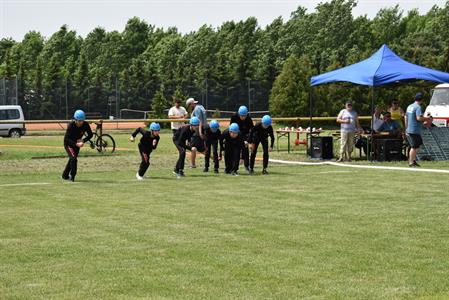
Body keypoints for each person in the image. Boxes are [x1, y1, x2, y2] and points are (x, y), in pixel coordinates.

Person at [62, 109, 93, 182]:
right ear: (75, 119)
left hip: (77, 145)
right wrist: (76, 144)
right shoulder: (71, 125)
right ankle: (72, 177)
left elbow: (90, 135)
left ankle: (65, 175)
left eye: (82, 121)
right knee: (73, 159)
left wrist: (83, 140)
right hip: (69, 144)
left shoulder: (85, 125)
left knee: (72, 159)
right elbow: (66, 139)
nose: (80, 123)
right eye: (78, 121)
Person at [405, 92, 432, 167]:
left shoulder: (409, 106)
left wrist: (406, 128)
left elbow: (406, 117)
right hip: (414, 130)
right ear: (421, 100)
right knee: (414, 146)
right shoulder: (418, 107)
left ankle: (413, 160)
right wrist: (427, 118)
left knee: (417, 145)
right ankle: (411, 162)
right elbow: (418, 118)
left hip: (411, 129)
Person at [230, 105, 254, 173]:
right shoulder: (234, 117)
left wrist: (249, 141)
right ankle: (233, 168)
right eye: (242, 116)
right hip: (236, 136)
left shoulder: (249, 118)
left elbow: (252, 130)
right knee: (235, 152)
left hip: (245, 136)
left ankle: (247, 166)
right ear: (238, 114)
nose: (243, 117)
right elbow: (231, 128)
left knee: (246, 151)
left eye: (245, 116)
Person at [186, 97, 207, 168]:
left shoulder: (197, 109)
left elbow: (199, 121)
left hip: (197, 131)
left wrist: (200, 133)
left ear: (191, 104)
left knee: (193, 148)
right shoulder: (200, 107)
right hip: (199, 130)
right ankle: (214, 160)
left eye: (189, 105)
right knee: (201, 149)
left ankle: (193, 164)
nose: (189, 107)